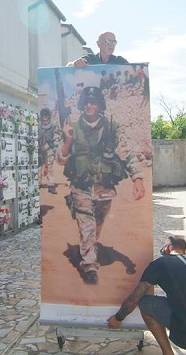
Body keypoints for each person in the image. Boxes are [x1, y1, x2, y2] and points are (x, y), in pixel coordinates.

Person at [58, 86, 145, 285]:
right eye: (86, 102)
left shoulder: (111, 127)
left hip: (105, 189)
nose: (90, 106)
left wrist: (137, 178)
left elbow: (125, 152)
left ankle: (88, 248)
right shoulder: (72, 125)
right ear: (82, 105)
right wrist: (68, 138)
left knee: (96, 224)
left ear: (100, 105)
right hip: (80, 186)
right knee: (86, 224)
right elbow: (60, 159)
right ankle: (89, 265)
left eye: (94, 102)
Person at [108, 236, 186, 355]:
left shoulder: (160, 264)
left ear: (168, 248)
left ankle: (167, 352)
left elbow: (135, 298)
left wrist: (118, 318)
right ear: (183, 251)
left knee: (145, 303)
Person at [39, 107, 61, 194]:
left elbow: (58, 135)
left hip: (49, 148)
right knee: (38, 167)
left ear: (49, 116)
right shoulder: (37, 125)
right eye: (43, 115)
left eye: (46, 115)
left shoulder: (53, 125)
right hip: (39, 148)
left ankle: (51, 185)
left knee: (50, 167)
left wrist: (52, 145)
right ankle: (38, 183)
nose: (44, 117)